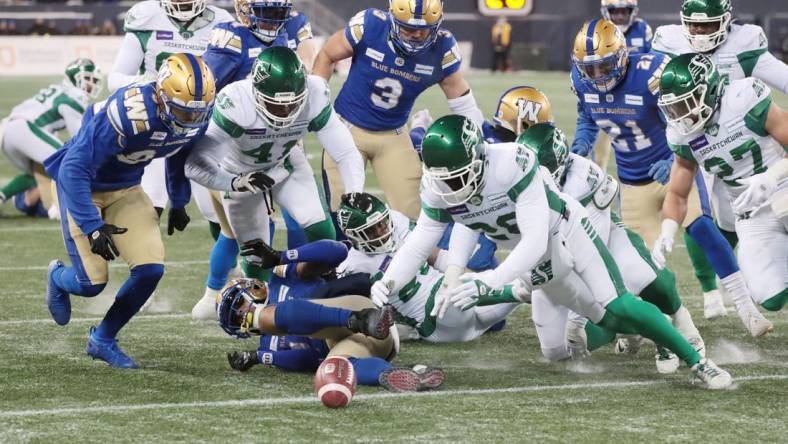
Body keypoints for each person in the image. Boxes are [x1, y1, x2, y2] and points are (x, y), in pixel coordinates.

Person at [371, 114, 732, 389]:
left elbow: (534, 239)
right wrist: (389, 281)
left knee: (617, 303)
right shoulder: (440, 187)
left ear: (478, 161)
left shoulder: (513, 163)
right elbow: (423, 240)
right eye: (443, 178)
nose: (449, 187)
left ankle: (697, 360)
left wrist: (491, 280)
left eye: (457, 176)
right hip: (538, 255)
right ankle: (654, 333)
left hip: (564, 229)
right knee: (606, 322)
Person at [569, 19, 772, 337]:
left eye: (604, 66)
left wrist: (670, 157)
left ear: (621, 56)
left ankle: (747, 310)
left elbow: (686, 120)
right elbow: (588, 115)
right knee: (643, 266)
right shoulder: (581, 82)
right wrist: (582, 139)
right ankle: (657, 329)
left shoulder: (651, 73)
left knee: (702, 227)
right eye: (589, 69)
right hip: (632, 180)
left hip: (673, 165)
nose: (597, 76)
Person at [44, 54, 216, 368]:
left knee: (151, 268)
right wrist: (92, 225)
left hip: (126, 188)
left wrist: (179, 199)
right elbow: (72, 169)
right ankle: (57, 277)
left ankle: (102, 339)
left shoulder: (196, 114)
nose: (190, 120)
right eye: (182, 112)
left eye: (197, 113)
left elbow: (180, 151)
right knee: (91, 283)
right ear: (163, 97)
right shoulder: (130, 114)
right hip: (82, 187)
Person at [185, 47, 365, 319]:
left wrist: (354, 192)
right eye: (275, 104)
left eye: (292, 103)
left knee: (320, 228)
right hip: (240, 173)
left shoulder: (315, 94)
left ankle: (316, 287)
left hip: (285, 163)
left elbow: (345, 151)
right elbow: (194, 164)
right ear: (256, 93)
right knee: (255, 253)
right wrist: (234, 182)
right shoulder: (237, 102)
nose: (285, 111)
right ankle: (260, 311)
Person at [518, 123, 704, 372]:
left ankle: (678, 325)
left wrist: (577, 312)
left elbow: (591, 244)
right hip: (558, 258)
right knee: (561, 348)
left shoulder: (582, 179)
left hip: (600, 243)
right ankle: (636, 329)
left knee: (647, 279)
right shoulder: (514, 182)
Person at [651, 0, 788, 319]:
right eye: (693, 24)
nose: (698, 32)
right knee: (764, 289)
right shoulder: (680, 126)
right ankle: (713, 289)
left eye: (707, 24)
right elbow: (677, 193)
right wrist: (666, 234)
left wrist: (771, 177)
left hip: (766, 161)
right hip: (729, 176)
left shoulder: (745, 93)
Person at [313, 0, 484, 222]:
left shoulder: (442, 48)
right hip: (346, 129)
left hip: (393, 134)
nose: (415, 35)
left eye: (422, 31)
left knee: (416, 215)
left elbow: (462, 100)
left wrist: (480, 143)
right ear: (393, 20)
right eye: (408, 28)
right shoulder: (371, 25)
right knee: (345, 211)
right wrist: (319, 107)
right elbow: (327, 55)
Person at [219, 241, 445, 393]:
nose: (243, 312)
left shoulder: (284, 278)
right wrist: (261, 357)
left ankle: (361, 320)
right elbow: (306, 360)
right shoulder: (267, 343)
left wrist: (281, 256)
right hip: (376, 344)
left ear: (254, 286)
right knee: (334, 368)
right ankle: (403, 373)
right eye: (238, 317)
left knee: (304, 304)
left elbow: (338, 251)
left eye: (239, 304)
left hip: (360, 309)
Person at [336, 192, 523, 342]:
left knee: (525, 284)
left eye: (382, 224)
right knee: (465, 290)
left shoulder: (397, 220)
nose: (382, 232)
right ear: (354, 236)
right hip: (435, 320)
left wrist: (457, 271)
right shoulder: (353, 266)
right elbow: (359, 314)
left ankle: (528, 288)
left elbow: (432, 254)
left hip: (456, 304)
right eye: (371, 230)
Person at [0, 58, 101, 216]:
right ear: (75, 78)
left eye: (94, 80)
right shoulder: (76, 96)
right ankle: (59, 208)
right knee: (69, 161)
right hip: (24, 128)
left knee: (38, 173)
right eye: (88, 79)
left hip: (9, 130)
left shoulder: (60, 89)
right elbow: (80, 137)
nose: (91, 84)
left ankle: (5, 196)